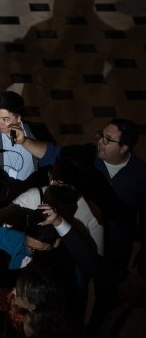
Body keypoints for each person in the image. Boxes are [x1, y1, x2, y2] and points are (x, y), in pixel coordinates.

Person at [14, 118, 146, 279]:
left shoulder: (141, 176)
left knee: (109, 285)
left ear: (124, 147)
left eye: (107, 139)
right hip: (84, 238)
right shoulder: (87, 155)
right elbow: (53, 153)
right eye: (101, 135)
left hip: (117, 246)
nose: (100, 142)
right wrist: (24, 140)